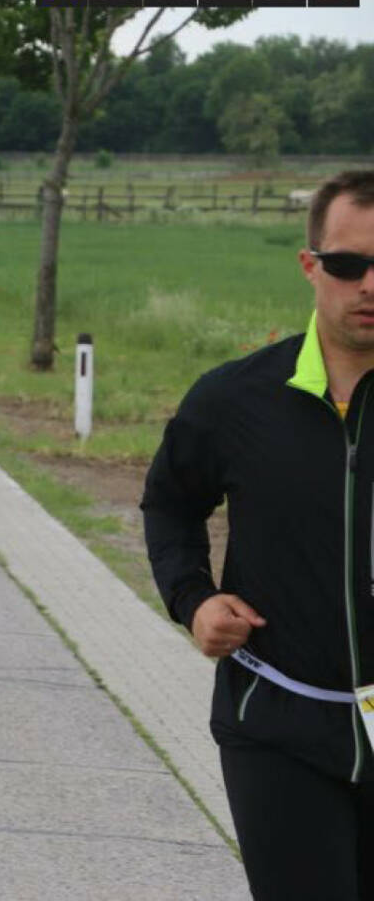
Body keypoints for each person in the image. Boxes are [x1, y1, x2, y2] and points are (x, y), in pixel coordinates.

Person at [142, 171, 374, 899]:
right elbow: (170, 504)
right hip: (277, 720)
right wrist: (193, 600)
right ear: (311, 266)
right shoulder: (236, 399)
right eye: (348, 265)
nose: (370, 284)